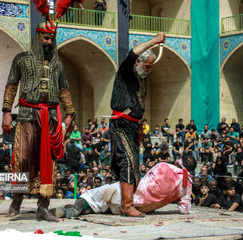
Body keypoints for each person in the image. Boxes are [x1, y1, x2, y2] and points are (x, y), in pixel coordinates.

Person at [1, 20, 75, 222]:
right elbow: (11, 85)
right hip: (26, 115)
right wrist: (7, 111)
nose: (49, 42)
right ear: (37, 37)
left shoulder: (58, 63)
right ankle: (16, 199)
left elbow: (64, 90)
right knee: (23, 159)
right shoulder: (21, 59)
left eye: (51, 38)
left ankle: (43, 207)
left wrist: (69, 113)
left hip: (49, 117)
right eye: (45, 37)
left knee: (48, 164)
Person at [109, 32, 165, 217]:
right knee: (126, 162)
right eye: (146, 66)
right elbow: (131, 54)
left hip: (134, 125)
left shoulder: (142, 79)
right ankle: (126, 205)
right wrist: (154, 42)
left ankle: (128, 202)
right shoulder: (126, 71)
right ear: (138, 63)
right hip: (121, 124)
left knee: (134, 165)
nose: (148, 70)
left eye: (150, 67)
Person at [51, 155, 196, 218]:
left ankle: (78, 207)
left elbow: (142, 179)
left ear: (178, 162)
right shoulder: (187, 184)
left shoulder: (163, 165)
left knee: (93, 195)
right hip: (135, 209)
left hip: (125, 196)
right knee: (107, 204)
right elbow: (184, 210)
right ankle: (89, 209)